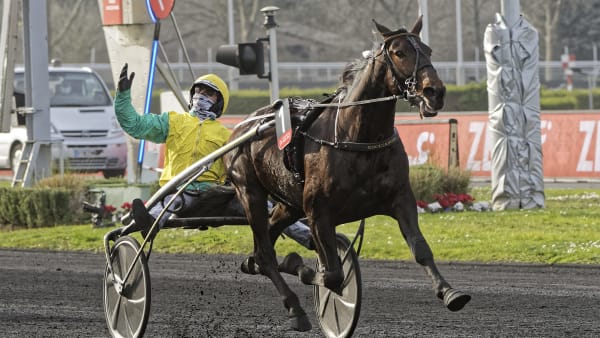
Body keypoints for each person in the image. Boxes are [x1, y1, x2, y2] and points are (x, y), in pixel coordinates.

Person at [114, 63, 314, 249]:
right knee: (171, 200)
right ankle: (150, 223)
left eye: (208, 93)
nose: (201, 95)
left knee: (263, 207)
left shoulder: (227, 136)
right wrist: (123, 95)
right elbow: (135, 125)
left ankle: (309, 238)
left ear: (218, 102)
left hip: (215, 197)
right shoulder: (172, 121)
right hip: (179, 192)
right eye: (199, 91)